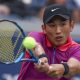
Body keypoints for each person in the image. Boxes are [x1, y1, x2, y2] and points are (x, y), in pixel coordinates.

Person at [18, 4, 80, 80]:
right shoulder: (35, 36)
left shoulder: (77, 49)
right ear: (44, 28)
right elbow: (36, 46)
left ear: (71, 25)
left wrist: (63, 68)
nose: (58, 31)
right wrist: (42, 58)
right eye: (52, 25)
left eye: (63, 24)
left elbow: (75, 66)